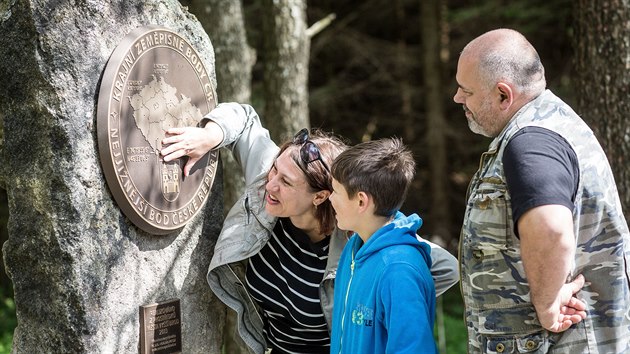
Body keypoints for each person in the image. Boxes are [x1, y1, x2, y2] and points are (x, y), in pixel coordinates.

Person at [160, 103, 459, 354]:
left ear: (321, 196)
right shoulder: (271, 181)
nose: (271, 184)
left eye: (286, 182)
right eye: (275, 169)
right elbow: (244, 118)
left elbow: (444, 266)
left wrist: (374, 297)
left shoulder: (357, 242)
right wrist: (210, 135)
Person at [454, 28, 630, 353]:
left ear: (503, 95)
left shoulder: (531, 142)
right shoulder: (548, 125)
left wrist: (547, 306)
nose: (458, 98)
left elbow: (550, 228)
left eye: (466, 91)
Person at [328, 138, 437, 354]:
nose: (330, 199)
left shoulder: (399, 270)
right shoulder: (353, 249)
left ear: (361, 201)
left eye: (335, 191)